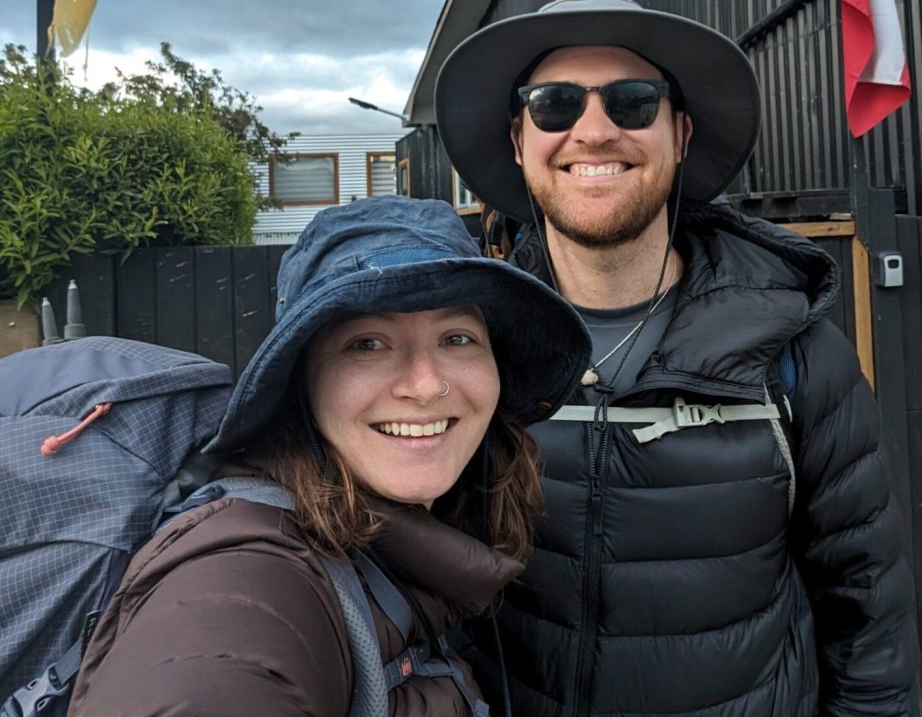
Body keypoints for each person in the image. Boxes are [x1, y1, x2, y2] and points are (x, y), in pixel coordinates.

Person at [434, 0, 920, 716]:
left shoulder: (796, 361)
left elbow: (867, 616)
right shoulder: (463, 355)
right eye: (554, 103)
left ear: (681, 132)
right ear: (517, 138)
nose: (592, 132)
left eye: (632, 102)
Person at [67, 195, 591, 716]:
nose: (426, 385)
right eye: (367, 343)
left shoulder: (408, 550)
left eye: (457, 338)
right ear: (301, 381)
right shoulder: (245, 584)